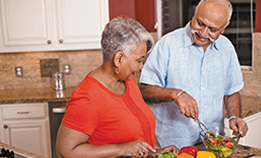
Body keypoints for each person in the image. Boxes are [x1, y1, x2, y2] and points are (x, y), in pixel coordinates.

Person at [56, 17, 178, 158]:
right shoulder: (87, 97)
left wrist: (157, 152)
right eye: (139, 60)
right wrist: (120, 149)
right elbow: (65, 151)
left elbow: (142, 127)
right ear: (118, 59)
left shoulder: (127, 80)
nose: (140, 66)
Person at [139, 0, 249, 149]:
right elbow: (144, 90)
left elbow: (231, 92)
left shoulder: (227, 49)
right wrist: (176, 94)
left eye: (212, 29)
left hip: (213, 143)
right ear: (194, 14)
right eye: (200, 23)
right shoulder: (167, 45)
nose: (203, 33)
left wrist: (234, 117)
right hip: (173, 144)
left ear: (223, 29)